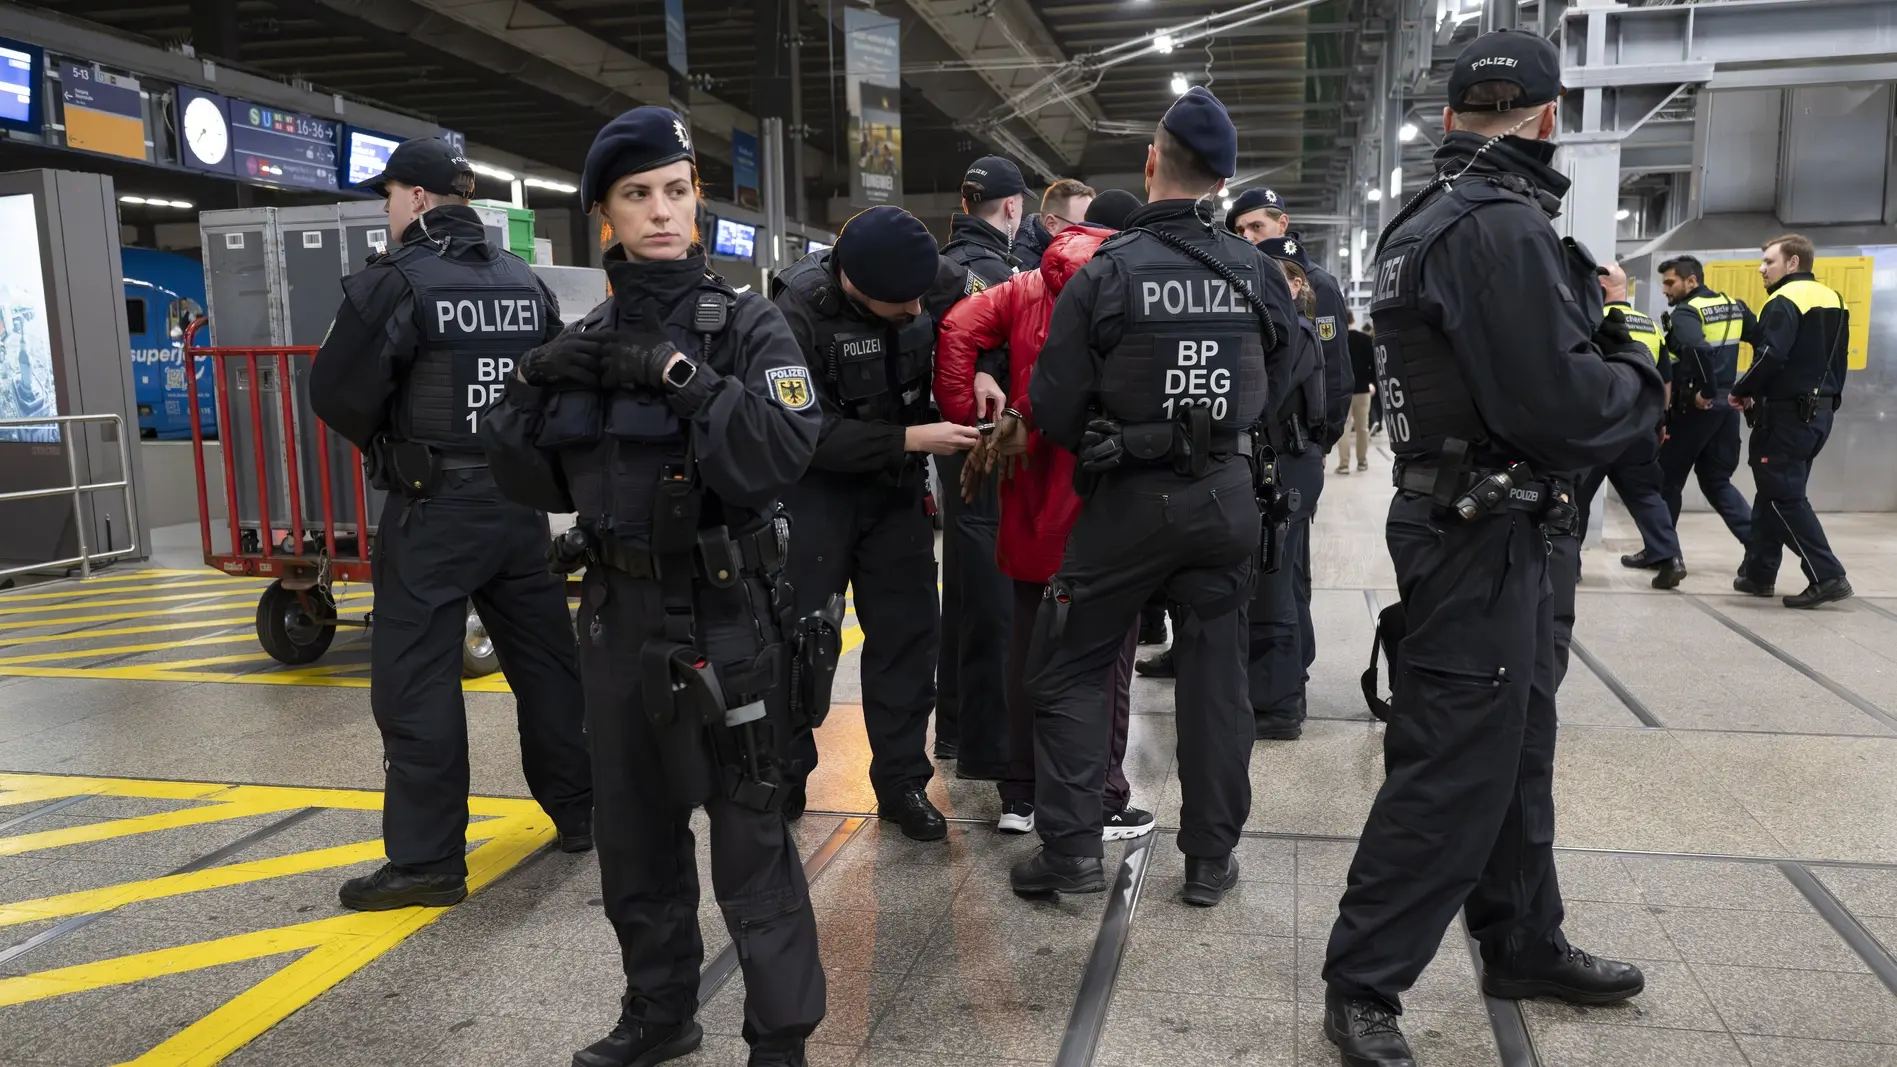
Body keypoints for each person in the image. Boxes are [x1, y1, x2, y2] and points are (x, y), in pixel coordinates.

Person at [1323, 30, 1663, 1066]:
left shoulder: (1433, 216)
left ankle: (1519, 935)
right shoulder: (1501, 227)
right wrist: (1633, 362)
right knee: (1454, 764)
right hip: (1484, 533)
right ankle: (1363, 985)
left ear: (1450, 113)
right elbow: (1558, 406)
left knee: (1515, 743)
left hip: (1481, 522)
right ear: (1550, 118)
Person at [478, 107, 826, 1067]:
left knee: (750, 833)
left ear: (697, 202)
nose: (661, 212)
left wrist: (680, 375)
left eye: (676, 191)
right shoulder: (582, 337)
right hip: (615, 615)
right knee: (633, 834)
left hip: (725, 614)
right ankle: (658, 1011)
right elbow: (527, 475)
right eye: (638, 195)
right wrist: (533, 382)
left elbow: (780, 453)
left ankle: (781, 1034)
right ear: (605, 216)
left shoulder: (749, 324)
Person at [1010, 86, 1294, 908]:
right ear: (1219, 181)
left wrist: (1125, 434)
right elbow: (1286, 383)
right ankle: (1208, 859)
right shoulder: (1253, 270)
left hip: (1127, 506)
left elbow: (1055, 404)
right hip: (1223, 503)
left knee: (1069, 663)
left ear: (1150, 164)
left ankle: (1069, 851)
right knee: (1216, 679)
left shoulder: (1107, 272)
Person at [308, 138, 593, 913]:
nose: (388, 208)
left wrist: (393, 442)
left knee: (417, 680)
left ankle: (428, 860)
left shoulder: (397, 282)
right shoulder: (521, 280)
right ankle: (582, 811)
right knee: (546, 665)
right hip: (517, 504)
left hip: (432, 509)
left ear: (421, 199)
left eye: (391, 194)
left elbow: (332, 390)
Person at [936, 188, 1155, 840]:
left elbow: (954, 329)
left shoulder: (1024, 283)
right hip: (1102, 509)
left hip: (1027, 503)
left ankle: (1020, 793)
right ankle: (1104, 797)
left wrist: (967, 415)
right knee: (1104, 665)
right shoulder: (1131, 281)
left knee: (1026, 653)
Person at [772, 206, 977, 840]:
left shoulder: (931, 278)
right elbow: (803, 433)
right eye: (901, 304)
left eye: (922, 297)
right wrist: (915, 436)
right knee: (801, 643)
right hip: (818, 498)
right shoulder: (794, 312)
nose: (918, 311)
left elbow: (984, 317)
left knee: (909, 641)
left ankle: (901, 784)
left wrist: (984, 366)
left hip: (895, 499)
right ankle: (785, 779)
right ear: (854, 285)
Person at [934, 156, 1030, 773]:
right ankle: (987, 748)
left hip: (949, 441)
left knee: (963, 591)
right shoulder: (1003, 273)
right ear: (1013, 207)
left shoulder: (941, 267)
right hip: (993, 444)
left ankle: (954, 729)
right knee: (993, 597)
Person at [1730, 234, 1852, 608]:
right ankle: (1759, 573)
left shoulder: (1783, 301)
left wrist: (1742, 388)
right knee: (1773, 491)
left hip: (1785, 416)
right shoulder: (1834, 298)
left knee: (1784, 495)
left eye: (1769, 261)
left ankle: (1828, 575)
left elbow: (1771, 356)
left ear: (1793, 263)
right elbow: (1836, 358)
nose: (1762, 269)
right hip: (1819, 413)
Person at [1249, 236, 1328, 742]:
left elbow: (1263, 401)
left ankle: (1277, 705)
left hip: (1287, 465)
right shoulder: (1292, 329)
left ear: (1297, 285)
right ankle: (1290, 680)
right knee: (1289, 577)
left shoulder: (1292, 333)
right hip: (1293, 462)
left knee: (1274, 583)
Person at [1575, 262, 1686, 589]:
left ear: (1602, 290)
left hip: (1599, 426)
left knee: (1576, 494)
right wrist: (1661, 420)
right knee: (1646, 495)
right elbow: (1666, 379)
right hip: (1641, 427)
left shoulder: (1591, 320)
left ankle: (1569, 565)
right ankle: (1670, 557)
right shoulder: (1651, 326)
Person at [1654, 255, 1753, 556]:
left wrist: (1706, 391)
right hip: (1728, 408)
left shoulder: (1686, 313)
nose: (1665, 290)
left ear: (1692, 281)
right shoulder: (1734, 307)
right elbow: (1766, 345)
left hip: (1696, 408)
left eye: (1670, 282)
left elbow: (1697, 349)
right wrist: (1748, 387)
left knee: (1667, 482)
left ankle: (1665, 556)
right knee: (1717, 482)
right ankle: (1760, 554)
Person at [1342, 311, 1376, 471]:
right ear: (1353, 320)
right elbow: (1374, 364)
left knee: (1344, 428)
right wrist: (1372, 382)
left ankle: (1344, 464)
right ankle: (1362, 462)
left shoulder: (1338, 341)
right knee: (1363, 427)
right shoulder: (1365, 340)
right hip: (1363, 389)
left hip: (1343, 392)